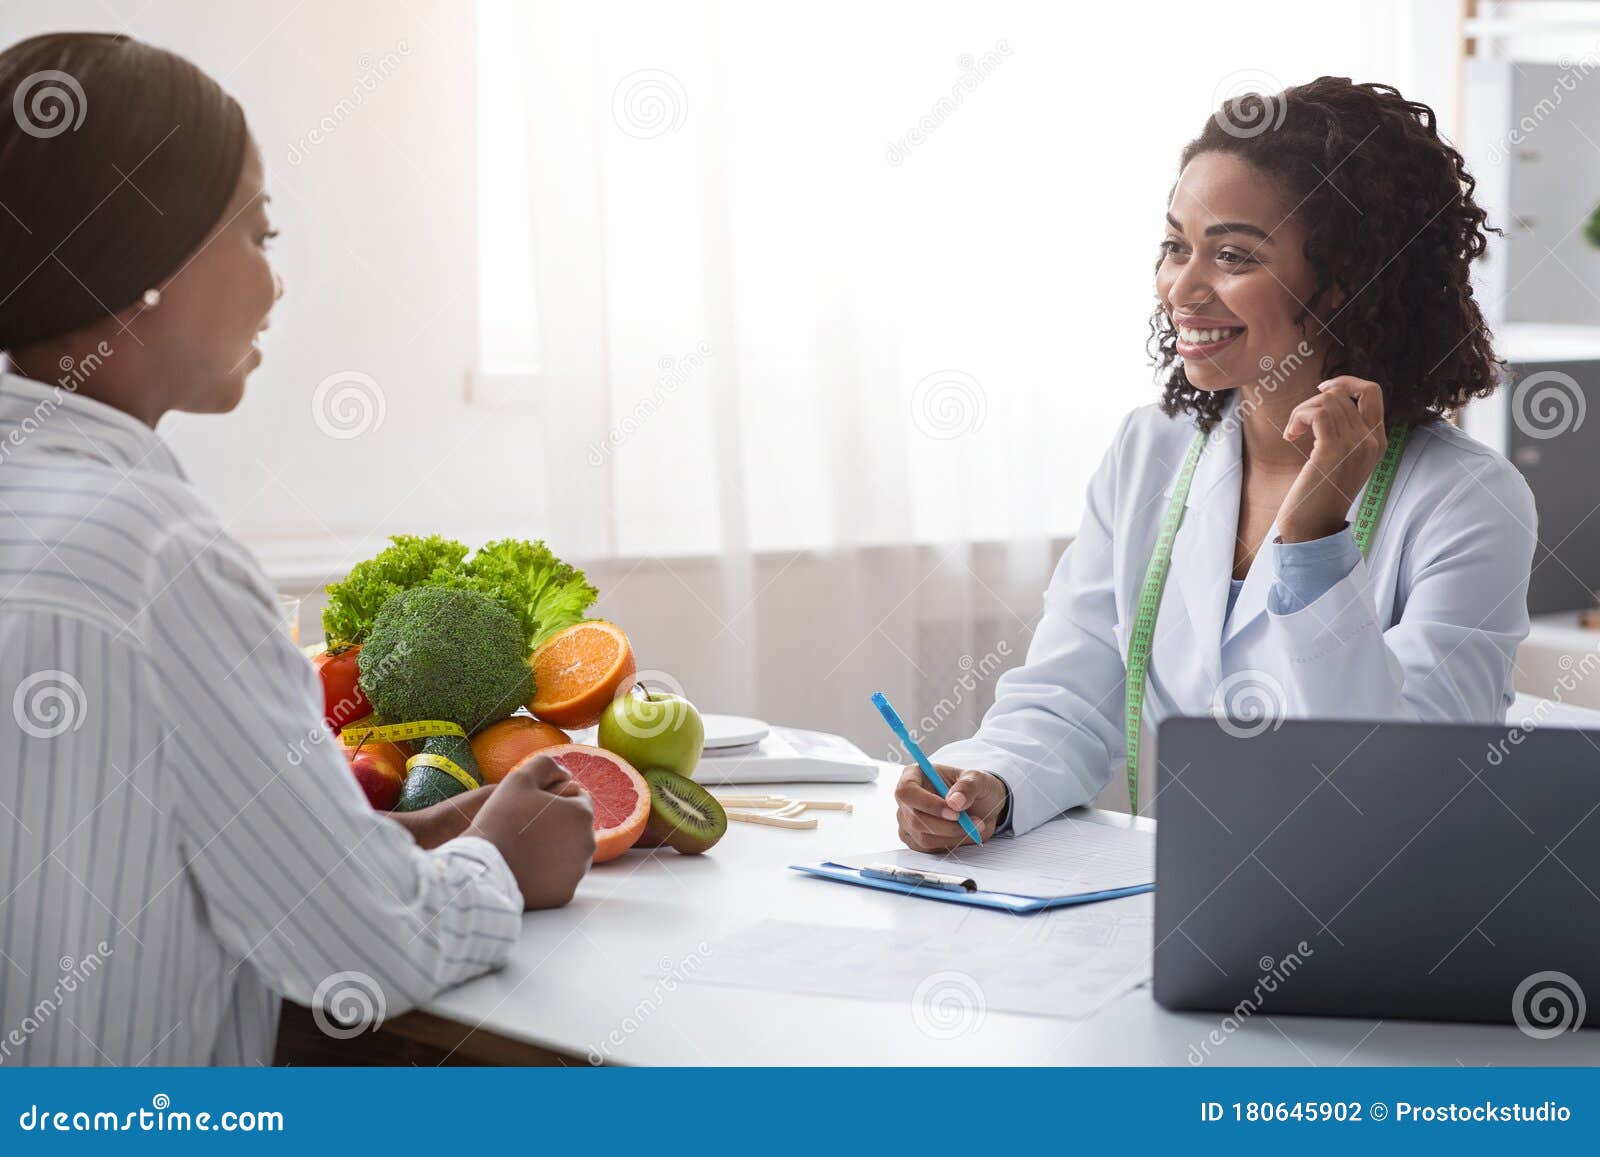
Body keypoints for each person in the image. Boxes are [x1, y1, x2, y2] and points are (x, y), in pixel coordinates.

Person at [0, 32, 595, 1066]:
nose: (274, 287)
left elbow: (174, 866)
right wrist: (497, 859)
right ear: (148, 257)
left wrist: (409, 841)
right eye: (258, 234)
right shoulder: (156, 553)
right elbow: (365, 951)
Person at [898, 77, 1537, 849]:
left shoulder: (1469, 499)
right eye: (1175, 246)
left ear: (1342, 280)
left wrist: (1315, 538)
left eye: (1232, 254)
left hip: (1360, 938)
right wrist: (990, 781)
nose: (1181, 289)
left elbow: (1403, 786)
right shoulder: (1150, 450)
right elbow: (1073, 691)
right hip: (1166, 909)